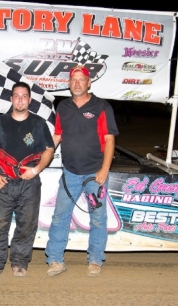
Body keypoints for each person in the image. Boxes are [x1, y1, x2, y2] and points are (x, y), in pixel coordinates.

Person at [45, 65, 119, 277]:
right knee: (60, 216)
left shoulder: (102, 107)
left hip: (95, 174)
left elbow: (109, 139)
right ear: (69, 84)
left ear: (89, 83)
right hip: (70, 173)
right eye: (73, 80)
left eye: (81, 80)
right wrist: (41, 159)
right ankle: (55, 260)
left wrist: (105, 169)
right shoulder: (63, 107)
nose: (77, 83)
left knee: (98, 218)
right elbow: (57, 136)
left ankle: (95, 259)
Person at [0, 82, 54, 281]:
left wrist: (36, 169)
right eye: (17, 95)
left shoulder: (39, 124)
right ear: (11, 98)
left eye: (24, 96)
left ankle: (20, 263)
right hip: (2, 182)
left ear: (30, 100)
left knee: (26, 225)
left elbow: (49, 149)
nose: (21, 99)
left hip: (29, 184)